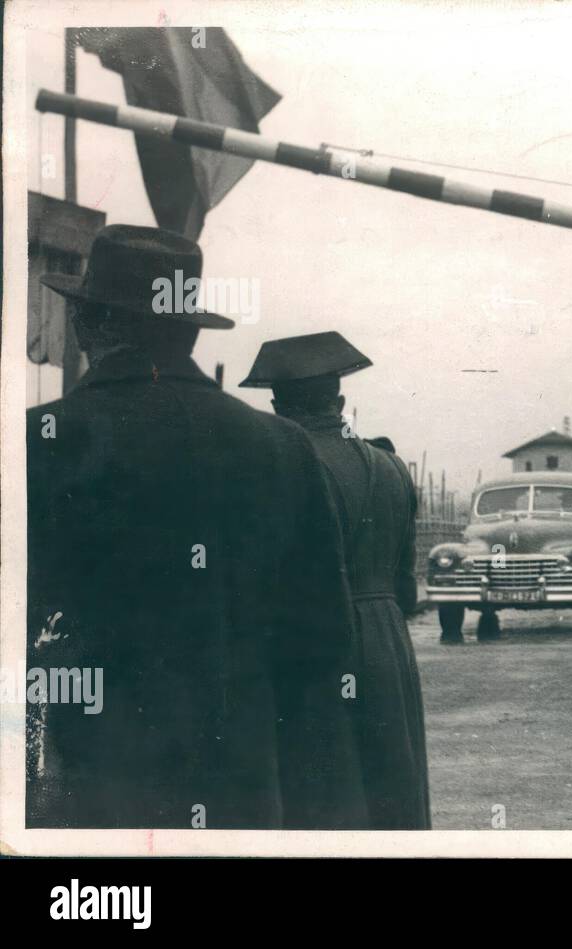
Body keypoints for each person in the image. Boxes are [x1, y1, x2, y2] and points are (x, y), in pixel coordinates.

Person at [27, 225, 368, 829]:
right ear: (187, 329)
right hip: (244, 788)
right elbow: (323, 644)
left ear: (88, 325)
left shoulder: (42, 441)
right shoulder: (283, 448)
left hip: (87, 795)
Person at [241, 332, 431, 829]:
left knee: (323, 795)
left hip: (314, 644)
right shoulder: (392, 467)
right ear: (340, 400)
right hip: (388, 643)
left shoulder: (278, 465)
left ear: (278, 405)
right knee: (394, 784)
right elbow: (408, 589)